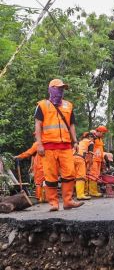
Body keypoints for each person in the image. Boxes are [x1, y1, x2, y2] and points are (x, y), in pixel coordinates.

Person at [34, 79, 84, 211]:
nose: (61, 91)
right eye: (58, 88)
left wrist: (75, 141)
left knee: (70, 173)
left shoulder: (68, 105)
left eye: (62, 89)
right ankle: (54, 203)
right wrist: (39, 144)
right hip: (48, 147)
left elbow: (71, 125)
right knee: (50, 175)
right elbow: (38, 125)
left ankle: (68, 201)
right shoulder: (42, 105)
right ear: (51, 89)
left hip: (66, 146)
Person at [14, 136, 45, 203]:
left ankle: (39, 198)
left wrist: (19, 156)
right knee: (48, 182)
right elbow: (33, 155)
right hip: (48, 166)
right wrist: (31, 166)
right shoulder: (47, 142)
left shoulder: (37, 144)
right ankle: (47, 198)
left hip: (40, 167)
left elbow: (29, 153)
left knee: (38, 183)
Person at [88, 126, 108, 197]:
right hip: (93, 159)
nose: (103, 135)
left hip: (99, 160)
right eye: (103, 133)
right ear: (98, 132)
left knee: (96, 176)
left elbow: (101, 150)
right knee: (93, 175)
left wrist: (103, 160)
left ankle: (94, 190)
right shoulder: (93, 137)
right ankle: (92, 191)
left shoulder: (100, 140)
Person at [72, 132, 93, 200]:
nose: (93, 139)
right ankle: (80, 195)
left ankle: (70, 194)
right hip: (79, 159)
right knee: (81, 177)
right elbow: (90, 156)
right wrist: (89, 166)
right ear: (89, 137)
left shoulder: (79, 142)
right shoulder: (90, 142)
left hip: (71, 158)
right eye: (93, 137)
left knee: (72, 177)